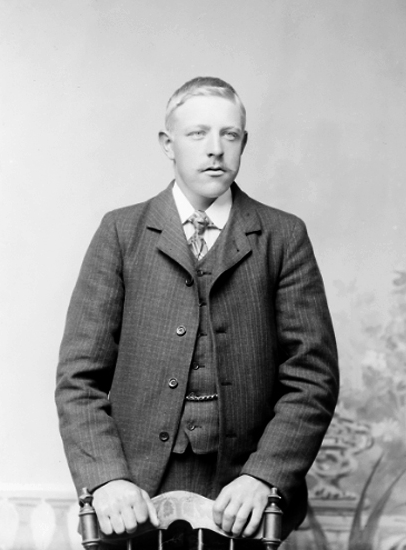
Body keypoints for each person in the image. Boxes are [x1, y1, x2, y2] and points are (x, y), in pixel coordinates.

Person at [55, 76, 339, 546]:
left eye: (230, 135)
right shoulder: (121, 233)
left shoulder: (283, 236)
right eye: (197, 134)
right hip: (136, 496)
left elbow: (313, 378)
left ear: (244, 142)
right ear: (168, 144)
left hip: (241, 498)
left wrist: (264, 476)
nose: (215, 149)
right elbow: (78, 379)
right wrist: (107, 478)